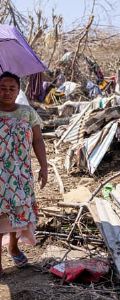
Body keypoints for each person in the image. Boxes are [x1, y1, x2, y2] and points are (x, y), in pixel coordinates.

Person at [0, 72, 48, 276]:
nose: (7, 92)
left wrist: (44, 167)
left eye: (12, 88)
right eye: (2, 87)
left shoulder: (28, 113)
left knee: (17, 211)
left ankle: (13, 246)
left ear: (18, 91)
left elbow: (38, 140)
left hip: (20, 173)